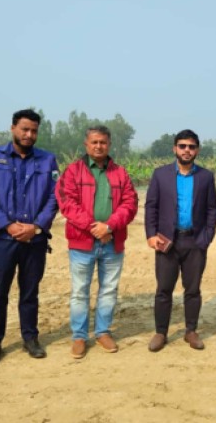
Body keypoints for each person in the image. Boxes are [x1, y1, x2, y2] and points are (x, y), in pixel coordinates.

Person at [0, 109, 60, 366]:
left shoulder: (47, 161)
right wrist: (8, 225)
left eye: (34, 131)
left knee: (30, 293)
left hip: (34, 240)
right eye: (25, 129)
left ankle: (30, 338)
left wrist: (36, 227)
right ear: (13, 128)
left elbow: (54, 198)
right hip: (3, 240)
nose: (29, 134)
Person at [56, 126, 138, 359]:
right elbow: (67, 203)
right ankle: (79, 336)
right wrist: (95, 228)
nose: (99, 146)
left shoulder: (120, 173)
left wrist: (109, 226)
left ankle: (102, 332)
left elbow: (130, 203)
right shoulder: (72, 172)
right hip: (82, 243)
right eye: (94, 142)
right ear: (86, 144)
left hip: (112, 242)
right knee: (80, 291)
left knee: (109, 290)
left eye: (103, 142)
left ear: (109, 145)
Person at [144, 129, 216, 352]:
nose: (187, 150)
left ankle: (191, 331)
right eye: (183, 146)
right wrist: (151, 234)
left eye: (191, 147)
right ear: (175, 148)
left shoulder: (205, 177)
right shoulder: (161, 175)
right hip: (167, 241)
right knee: (164, 289)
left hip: (195, 241)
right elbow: (151, 206)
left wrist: (206, 237)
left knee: (192, 289)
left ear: (197, 150)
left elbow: (211, 209)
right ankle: (161, 332)